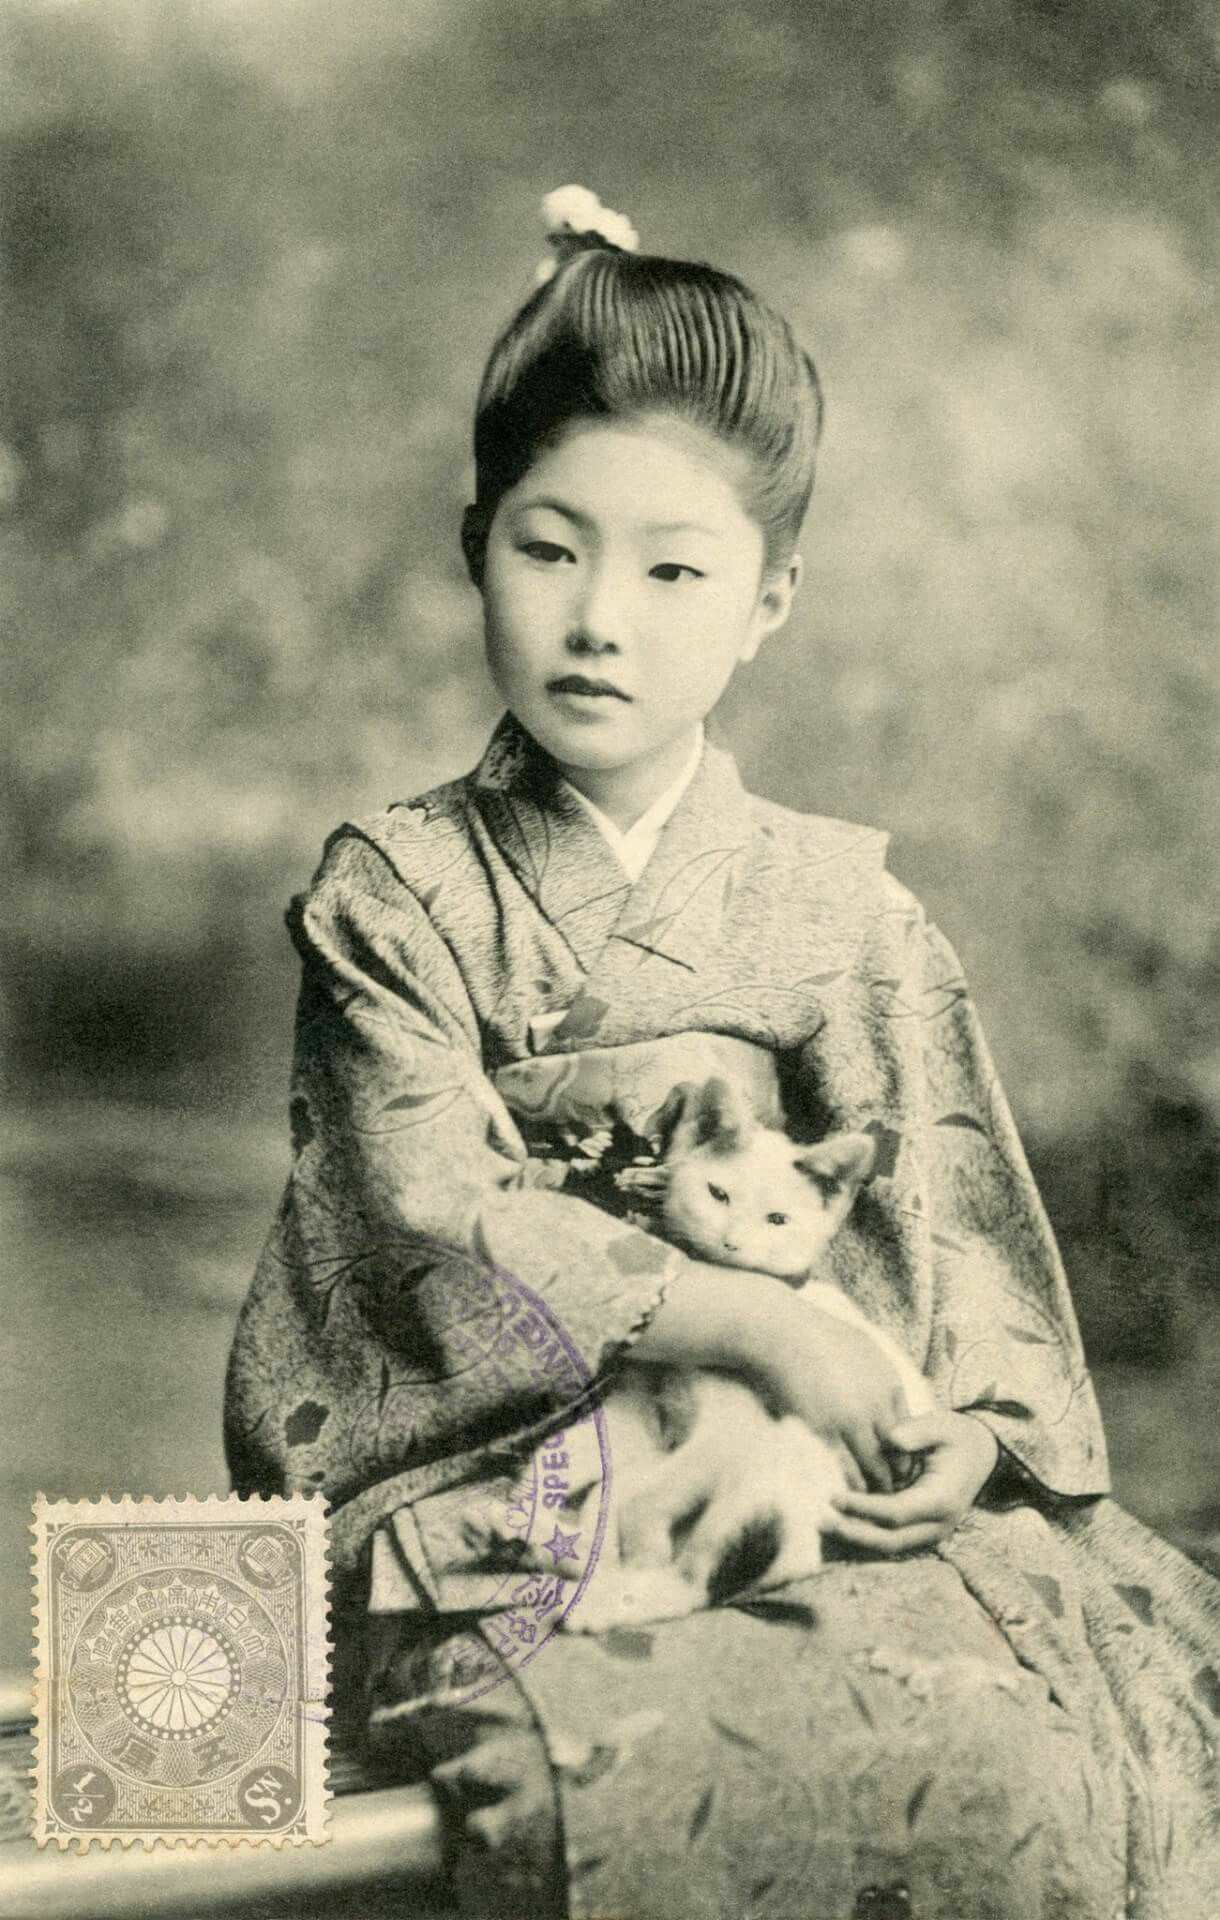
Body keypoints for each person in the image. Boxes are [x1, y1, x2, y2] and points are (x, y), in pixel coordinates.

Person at [224, 187, 1219, 1917]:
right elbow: (432, 1204)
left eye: (676, 569)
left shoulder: (841, 911)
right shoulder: (396, 893)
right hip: (493, 1499)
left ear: (768, 603)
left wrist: (964, 1438)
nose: (602, 617)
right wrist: (757, 1317)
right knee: (650, 1743)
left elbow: (950, 1232)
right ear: (476, 547)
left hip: (797, 1474)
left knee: (1031, 1703)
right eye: (551, 549)